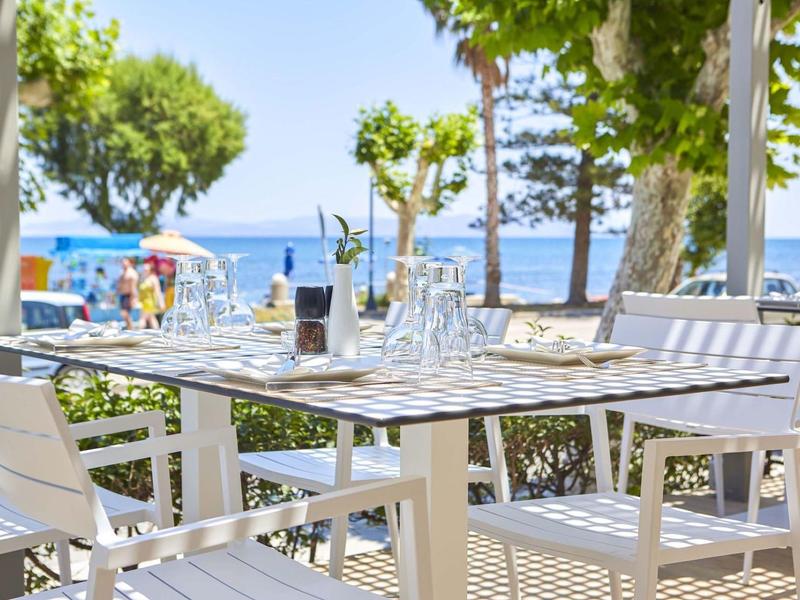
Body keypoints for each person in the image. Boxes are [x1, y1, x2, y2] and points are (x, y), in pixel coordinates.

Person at [138, 262, 164, 329]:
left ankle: (139, 331)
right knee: (151, 318)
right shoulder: (144, 278)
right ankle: (157, 331)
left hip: (150, 302)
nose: (144, 271)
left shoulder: (153, 278)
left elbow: (158, 291)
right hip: (144, 302)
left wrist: (161, 302)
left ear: (150, 270)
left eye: (146, 269)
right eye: (144, 269)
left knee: (142, 318)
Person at [116, 257, 139, 330]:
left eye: (125, 262)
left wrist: (133, 298)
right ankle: (130, 328)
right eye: (122, 262)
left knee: (125, 314)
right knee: (124, 314)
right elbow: (119, 285)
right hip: (122, 295)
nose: (123, 263)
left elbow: (133, 287)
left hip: (128, 296)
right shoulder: (123, 272)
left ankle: (131, 328)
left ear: (129, 262)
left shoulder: (132, 273)